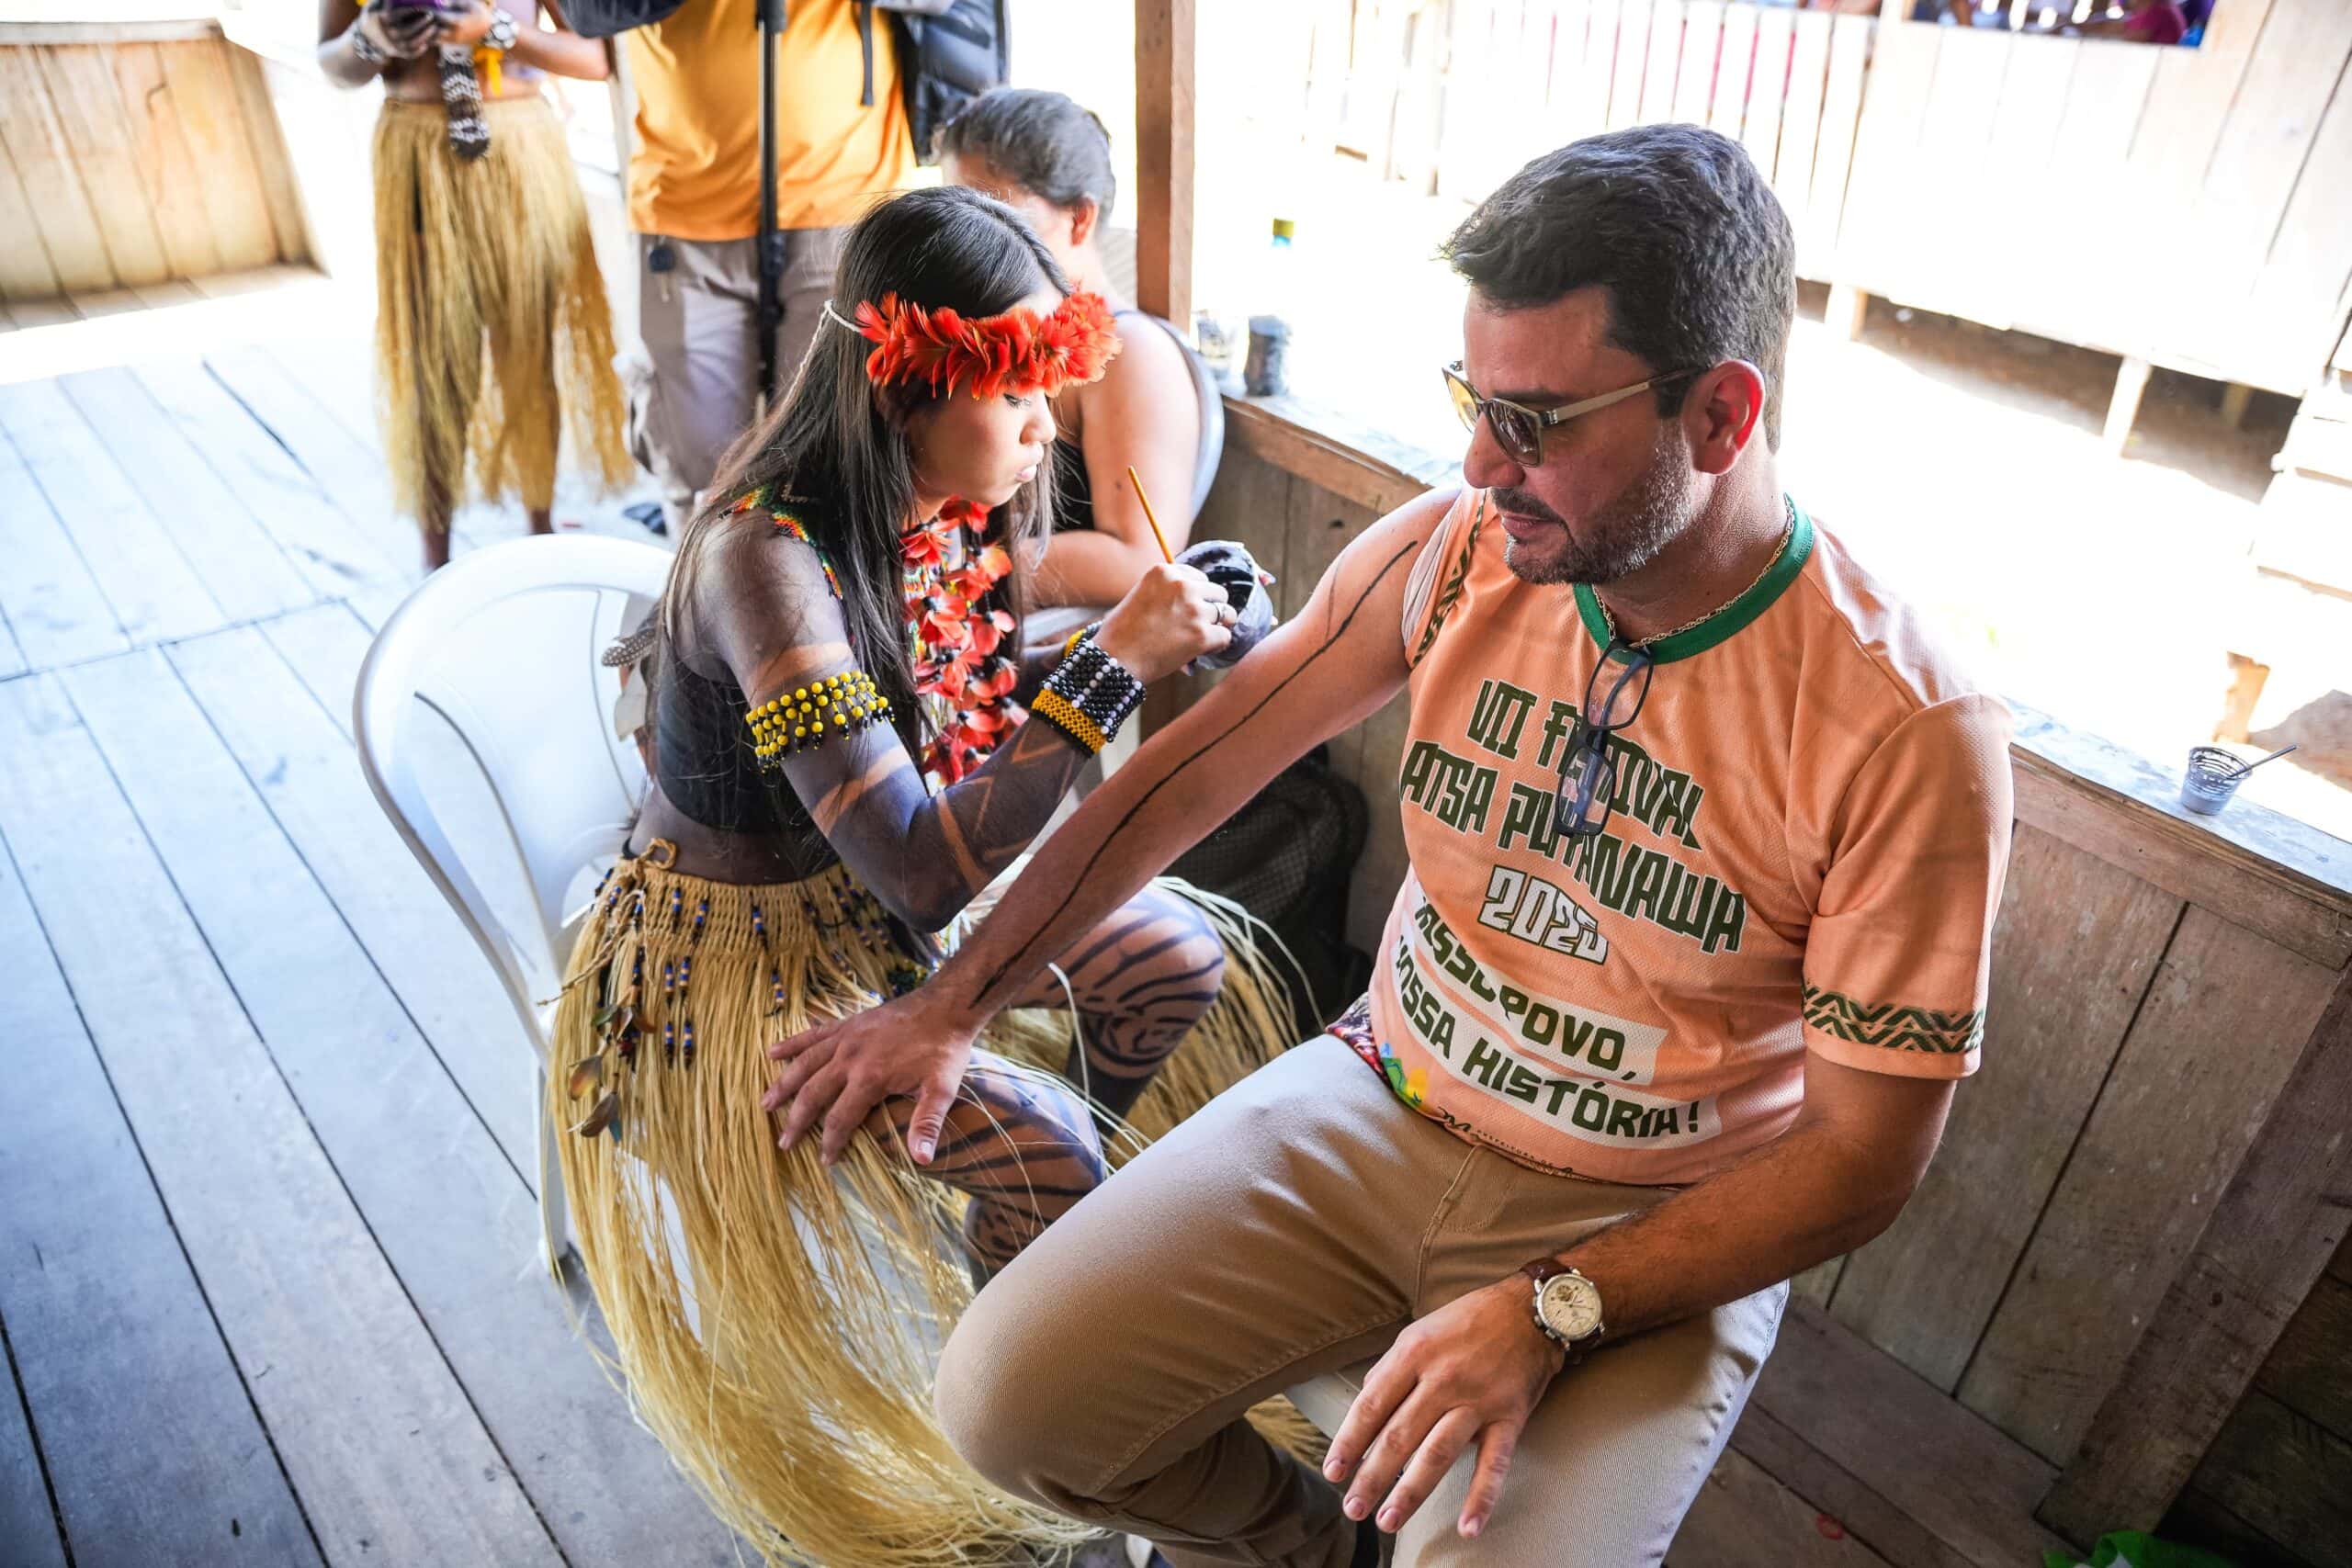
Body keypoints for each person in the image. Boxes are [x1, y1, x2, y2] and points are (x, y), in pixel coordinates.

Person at [764, 125, 2015, 1567]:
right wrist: (951, 1003)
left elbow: (1862, 1158)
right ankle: (1306, 1546)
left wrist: (1558, 1304)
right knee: (1009, 1401)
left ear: (1722, 416)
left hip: (1650, 1211)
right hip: (1385, 1094)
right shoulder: (1457, 549)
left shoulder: (1904, 725)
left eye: (1535, 422)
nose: (1480, 463)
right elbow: (1185, 776)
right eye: (1473, 400)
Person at [562, 184, 1295, 1568]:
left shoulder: (950, 508)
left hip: (872, 912)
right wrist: (1110, 662)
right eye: (1014, 392)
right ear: (903, 387)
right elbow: (916, 867)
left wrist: (1184, 611)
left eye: (1049, 388)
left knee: (1178, 958)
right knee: (1052, 1145)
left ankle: (1014, 1256)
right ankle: (1032, 1375)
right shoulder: (764, 559)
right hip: (728, 963)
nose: (1045, 427)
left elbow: (957, 687)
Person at [320, 1, 632, 571]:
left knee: (530, 356)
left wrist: (497, 31)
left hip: (522, 155)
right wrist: (371, 36)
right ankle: (434, 562)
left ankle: (540, 533)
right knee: (433, 366)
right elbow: (334, 65)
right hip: (416, 157)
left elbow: (596, 57)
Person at [620, 0, 917, 533]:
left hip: (846, 203)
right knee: (700, 474)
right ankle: (703, 582)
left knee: (837, 463)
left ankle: (827, 587)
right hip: (685, 208)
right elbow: (586, 15)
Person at [940, 88, 1222, 611]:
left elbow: (1139, 558)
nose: (970, 243)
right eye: (956, 218)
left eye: (1000, 220)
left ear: (1079, 219)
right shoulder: (973, 323)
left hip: (1028, 638)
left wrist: (948, 577)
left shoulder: (1133, 355)